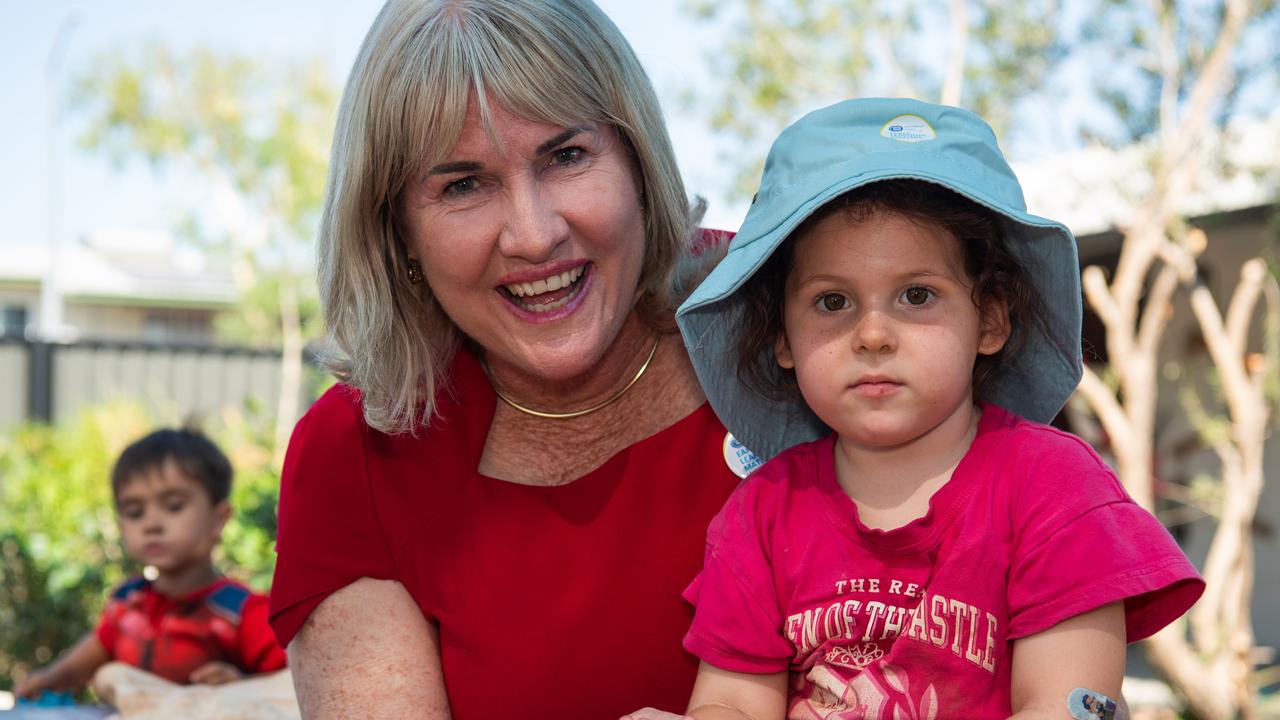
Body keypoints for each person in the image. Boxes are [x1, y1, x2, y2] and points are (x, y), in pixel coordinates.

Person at [623, 98, 1205, 719]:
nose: (873, 334)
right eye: (831, 302)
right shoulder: (762, 514)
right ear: (782, 339)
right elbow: (735, 703)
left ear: (990, 318)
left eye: (917, 294)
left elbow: (1071, 704)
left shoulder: (1053, 490)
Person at [266, 0, 743, 718]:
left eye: (567, 156)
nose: (532, 234)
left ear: (639, 162)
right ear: (398, 233)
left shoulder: (794, 317)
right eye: (463, 184)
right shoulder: (359, 455)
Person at [13, 428, 287, 700]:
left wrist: (242, 686)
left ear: (219, 519)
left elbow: (291, 683)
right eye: (135, 512)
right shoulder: (127, 602)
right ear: (122, 525)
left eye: (174, 506)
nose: (152, 524)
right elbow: (90, 654)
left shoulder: (240, 612)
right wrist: (48, 679)